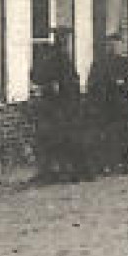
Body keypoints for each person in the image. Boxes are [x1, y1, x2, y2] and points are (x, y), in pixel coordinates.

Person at [29, 25, 81, 181]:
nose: (64, 41)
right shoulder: (50, 55)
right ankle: (53, 169)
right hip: (55, 103)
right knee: (55, 135)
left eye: (66, 38)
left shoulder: (66, 56)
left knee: (65, 135)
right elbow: (36, 76)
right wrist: (50, 85)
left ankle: (63, 169)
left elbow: (72, 80)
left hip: (67, 102)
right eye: (62, 37)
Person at [86, 31, 128, 174]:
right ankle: (109, 163)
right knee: (110, 135)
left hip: (123, 104)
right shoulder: (100, 63)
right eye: (112, 44)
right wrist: (112, 83)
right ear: (108, 46)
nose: (116, 47)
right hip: (108, 104)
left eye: (118, 44)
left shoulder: (124, 61)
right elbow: (94, 83)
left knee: (127, 134)